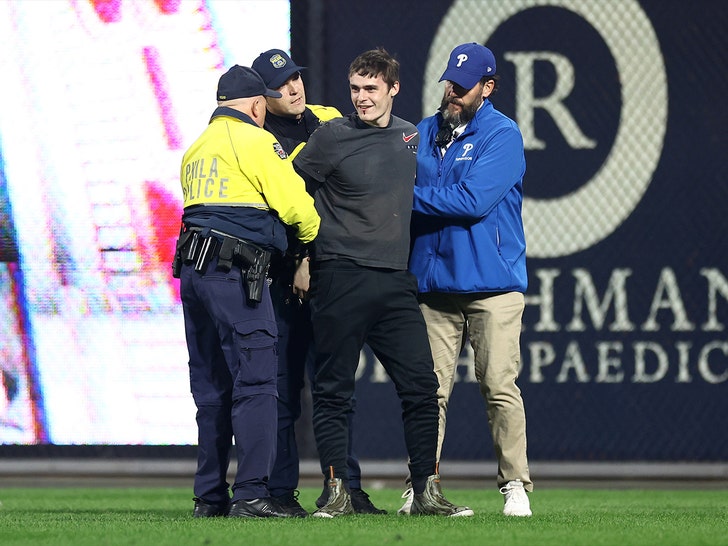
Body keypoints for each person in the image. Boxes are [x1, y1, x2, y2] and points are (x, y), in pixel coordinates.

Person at [293, 47, 473, 518]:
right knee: (334, 389)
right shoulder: (331, 136)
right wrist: (301, 259)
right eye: (355, 89)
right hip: (339, 275)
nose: (361, 98)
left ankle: (425, 493)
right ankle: (337, 491)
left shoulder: (411, 136)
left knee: (421, 387)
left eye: (371, 88)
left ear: (393, 89)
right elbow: (292, 194)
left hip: (395, 281)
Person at [175, 64, 320, 519]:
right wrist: (308, 240)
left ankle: (209, 498)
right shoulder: (257, 141)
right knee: (257, 382)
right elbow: (299, 207)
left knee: (212, 388)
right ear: (258, 106)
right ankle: (254, 494)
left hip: (193, 276)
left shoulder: (195, 148)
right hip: (236, 275)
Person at [250, 48, 384, 516]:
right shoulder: (255, 138)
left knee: (333, 388)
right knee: (282, 391)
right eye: (280, 85)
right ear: (262, 98)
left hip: (326, 272)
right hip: (278, 277)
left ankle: (346, 486)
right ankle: (280, 492)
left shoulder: (327, 119)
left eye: (295, 78)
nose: (293, 88)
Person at [405, 42, 533, 517]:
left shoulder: (503, 135)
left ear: (488, 86)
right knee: (428, 392)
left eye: (463, 85)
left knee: (499, 385)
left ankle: (515, 484)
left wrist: (405, 198)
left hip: (492, 285)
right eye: (450, 83)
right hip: (435, 287)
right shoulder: (422, 131)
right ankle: (422, 486)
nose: (453, 92)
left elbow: (471, 201)